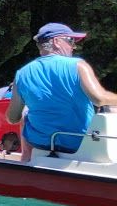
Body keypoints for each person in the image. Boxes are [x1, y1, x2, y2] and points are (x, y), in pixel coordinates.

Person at [7, 23, 117, 154]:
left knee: (26, 116)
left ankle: (26, 161)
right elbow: (99, 99)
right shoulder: (78, 65)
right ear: (56, 41)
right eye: (71, 41)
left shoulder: (21, 74)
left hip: (40, 144)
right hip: (78, 143)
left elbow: (12, 118)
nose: (73, 47)